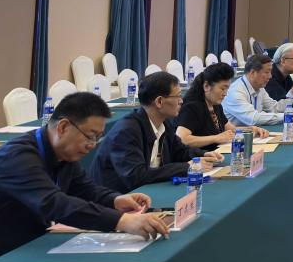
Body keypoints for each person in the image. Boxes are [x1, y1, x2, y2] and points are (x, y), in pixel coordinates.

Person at [0, 92, 170, 255]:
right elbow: (53, 203)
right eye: (90, 136)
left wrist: (115, 200)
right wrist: (122, 221)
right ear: (63, 127)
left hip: (31, 242)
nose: (92, 145)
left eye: (98, 137)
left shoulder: (63, 153)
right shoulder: (16, 156)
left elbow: (85, 189)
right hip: (7, 251)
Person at [89, 71, 222, 193]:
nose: (181, 100)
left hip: (147, 192)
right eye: (177, 96)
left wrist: (203, 155)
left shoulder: (164, 122)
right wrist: (186, 167)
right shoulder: (126, 131)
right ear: (159, 101)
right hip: (118, 199)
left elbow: (180, 151)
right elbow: (136, 176)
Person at [176, 64, 269, 150]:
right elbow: (182, 139)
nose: (225, 93)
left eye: (227, 89)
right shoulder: (191, 107)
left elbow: (231, 129)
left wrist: (251, 129)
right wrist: (216, 138)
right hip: (199, 158)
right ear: (206, 86)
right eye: (222, 88)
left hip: (216, 154)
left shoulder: (215, 105)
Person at [224, 54, 293, 126]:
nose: (270, 76)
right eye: (267, 72)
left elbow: (275, 108)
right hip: (235, 137)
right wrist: (287, 116)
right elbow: (253, 118)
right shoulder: (236, 92)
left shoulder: (259, 87)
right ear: (253, 73)